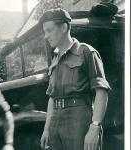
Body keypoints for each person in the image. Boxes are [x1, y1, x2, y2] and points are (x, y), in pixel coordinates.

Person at [39, 8, 111, 150]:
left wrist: (95, 127)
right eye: (44, 32)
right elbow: (52, 98)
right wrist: (47, 128)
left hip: (78, 119)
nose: (46, 36)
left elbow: (102, 92)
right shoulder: (55, 59)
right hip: (55, 121)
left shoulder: (86, 52)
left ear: (64, 27)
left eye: (49, 30)